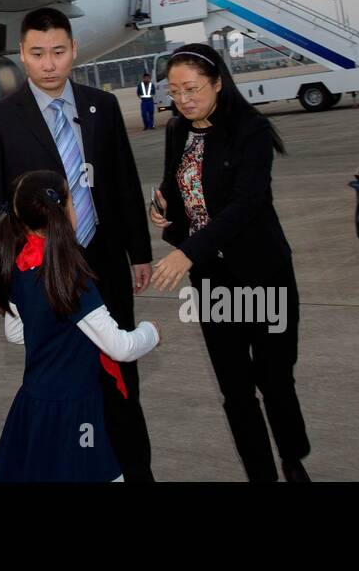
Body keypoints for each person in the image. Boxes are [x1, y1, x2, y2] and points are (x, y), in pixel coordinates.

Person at [0, 6, 154, 481]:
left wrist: (140, 253)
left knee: (119, 380)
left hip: (105, 265)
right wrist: (2, 282)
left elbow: (122, 184)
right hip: (42, 273)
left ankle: (134, 472)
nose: (49, 64)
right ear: (22, 56)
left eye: (58, 52)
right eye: (37, 54)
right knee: (61, 383)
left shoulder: (103, 106)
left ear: (74, 50)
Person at [149, 43, 311, 482]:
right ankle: (261, 473)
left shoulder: (250, 129)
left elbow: (246, 204)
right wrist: (163, 207)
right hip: (215, 281)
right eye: (175, 91)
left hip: (262, 274)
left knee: (275, 380)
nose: (183, 99)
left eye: (193, 89)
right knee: (235, 389)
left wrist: (187, 251)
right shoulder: (176, 130)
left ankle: (293, 459)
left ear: (218, 82)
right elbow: (174, 185)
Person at [0, 170, 160, 481]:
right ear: (64, 211)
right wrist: (152, 332)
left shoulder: (19, 265)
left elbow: (15, 333)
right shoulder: (70, 276)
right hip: (77, 410)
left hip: (35, 404)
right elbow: (119, 347)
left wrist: (53, 332)